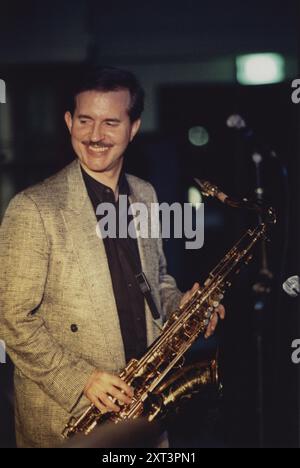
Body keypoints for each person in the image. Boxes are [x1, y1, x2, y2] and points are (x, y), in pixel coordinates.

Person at [0, 67, 224, 448]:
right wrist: (80, 379)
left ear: (133, 127)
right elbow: (10, 316)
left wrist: (180, 305)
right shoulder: (33, 207)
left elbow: (159, 280)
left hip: (143, 408)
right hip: (70, 421)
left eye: (111, 122)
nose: (95, 136)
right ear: (69, 122)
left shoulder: (146, 194)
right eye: (85, 120)